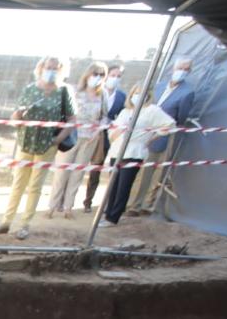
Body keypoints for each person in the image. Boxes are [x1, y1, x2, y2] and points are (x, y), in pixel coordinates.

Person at [0, 56, 74, 241]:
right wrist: (18, 115)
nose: (51, 71)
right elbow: (15, 118)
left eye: (55, 68)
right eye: (48, 67)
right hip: (26, 141)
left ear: (61, 70)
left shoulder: (64, 92)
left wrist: (58, 138)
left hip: (47, 145)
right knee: (18, 183)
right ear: (41, 67)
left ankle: (24, 225)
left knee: (35, 185)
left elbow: (72, 119)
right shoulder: (30, 89)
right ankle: (6, 222)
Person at [100, 85, 175, 228]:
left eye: (142, 93)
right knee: (113, 185)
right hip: (118, 151)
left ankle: (113, 217)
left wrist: (151, 137)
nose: (138, 96)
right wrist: (117, 134)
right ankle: (108, 212)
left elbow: (170, 124)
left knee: (124, 185)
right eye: (136, 92)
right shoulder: (125, 111)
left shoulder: (152, 111)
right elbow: (113, 132)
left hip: (135, 152)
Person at [133, 56, 195, 213]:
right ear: (173, 68)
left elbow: (181, 118)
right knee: (143, 172)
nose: (182, 72)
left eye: (186, 69)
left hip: (167, 137)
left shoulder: (187, 92)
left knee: (157, 174)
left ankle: (148, 205)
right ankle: (134, 204)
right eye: (180, 68)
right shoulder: (159, 86)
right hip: (147, 135)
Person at [47, 61, 108, 218]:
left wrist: (98, 131)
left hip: (89, 139)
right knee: (62, 172)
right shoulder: (74, 91)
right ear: (88, 74)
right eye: (96, 73)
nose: (98, 77)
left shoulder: (103, 95)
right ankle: (52, 207)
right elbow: (66, 113)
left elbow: (104, 117)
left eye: (102, 74)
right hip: (71, 137)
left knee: (77, 174)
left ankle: (68, 208)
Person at [83, 63, 126, 212]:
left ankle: (88, 201)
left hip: (106, 138)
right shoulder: (95, 91)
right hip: (86, 134)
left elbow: (122, 117)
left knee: (96, 170)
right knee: (77, 166)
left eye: (118, 76)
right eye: (113, 75)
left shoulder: (122, 97)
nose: (115, 79)